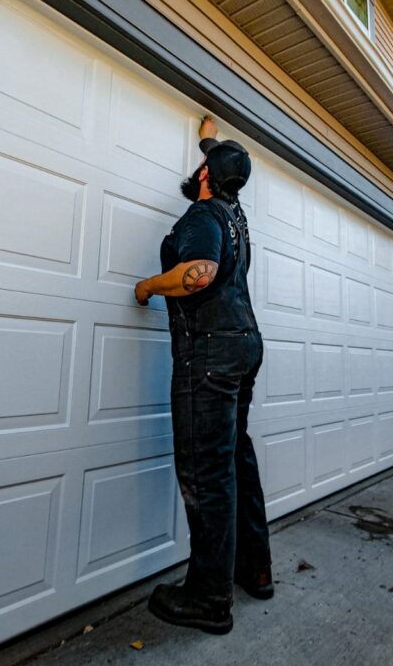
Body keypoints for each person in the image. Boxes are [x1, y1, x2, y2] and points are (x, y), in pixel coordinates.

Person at [134, 116, 272, 635]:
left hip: (209, 355)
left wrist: (148, 287)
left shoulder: (201, 216)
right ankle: (254, 570)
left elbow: (202, 273)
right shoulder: (234, 212)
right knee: (236, 456)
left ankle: (209, 598)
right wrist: (207, 137)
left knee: (206, 473)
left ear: (209, 175)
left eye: (202, 164)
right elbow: (221, 164)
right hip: (244, 344)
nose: (196, 170)